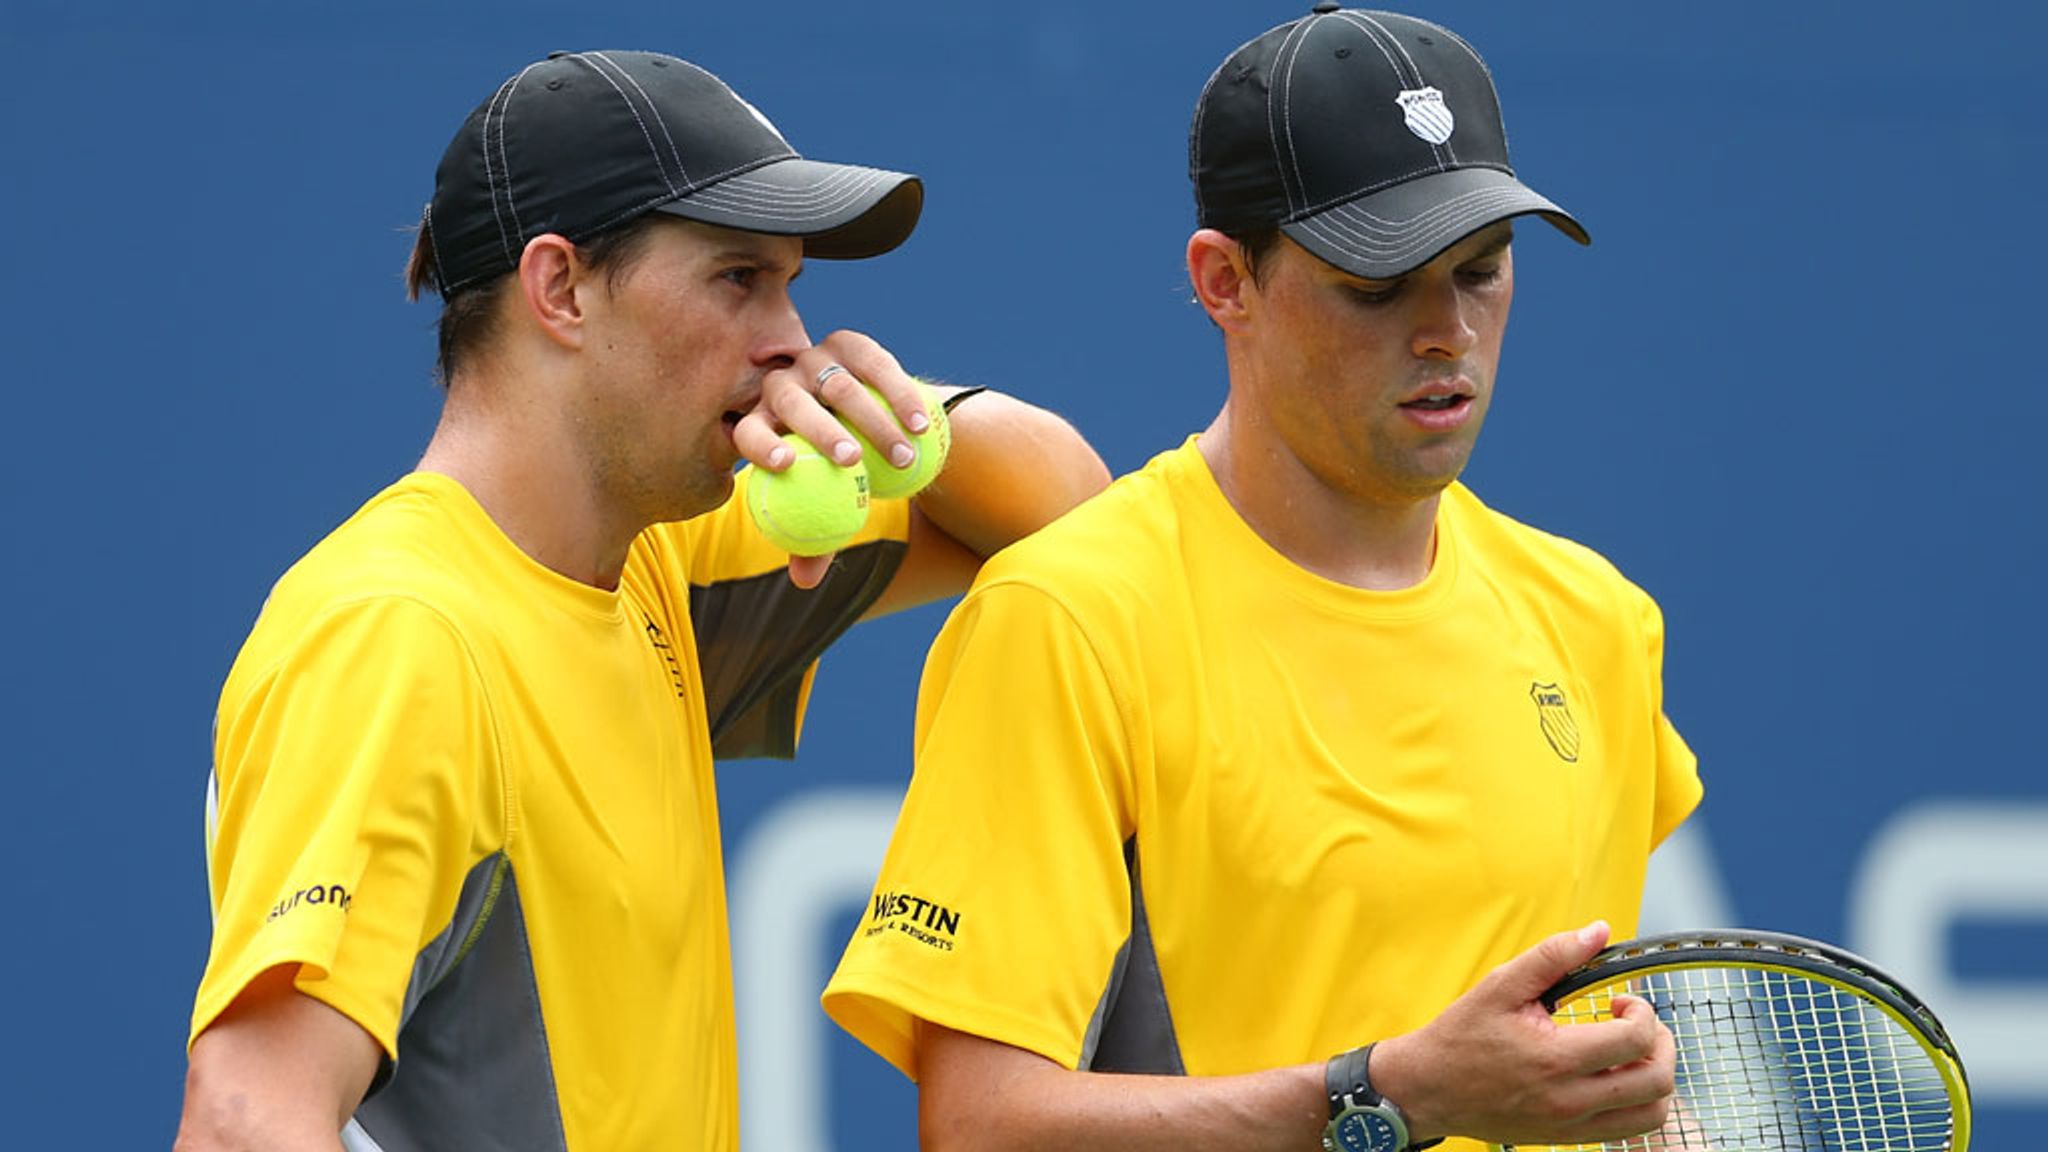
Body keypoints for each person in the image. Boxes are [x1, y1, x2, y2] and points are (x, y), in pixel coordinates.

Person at [174, 48, 1109, 1152]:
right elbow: (241, 1120)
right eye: (737, 279)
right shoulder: (398, 636)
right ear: (560, 289)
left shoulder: (654, 559)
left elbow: (1065, 512)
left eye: (789, 285)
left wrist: (896, 429)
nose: (790, 340)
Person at [822, 8, 1703, 1152]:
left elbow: (1579, 1083)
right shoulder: (1068, 619)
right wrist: (1384, 1097)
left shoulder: (1596, 621)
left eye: (1480, 271)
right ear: (1224, 281)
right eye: (1377, 286)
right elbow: (981, 1127)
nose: (1445, 331)